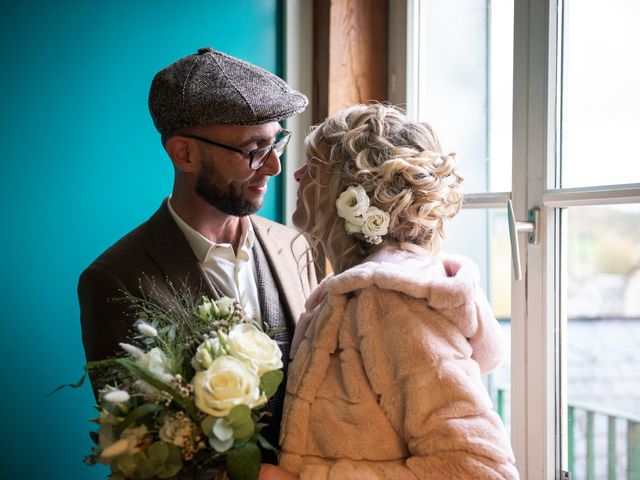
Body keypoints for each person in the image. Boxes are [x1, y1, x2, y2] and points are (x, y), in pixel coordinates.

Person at [78, 47, 317, 463]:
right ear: (184, 153)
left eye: (277, 141)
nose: (274, 167)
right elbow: (141, 443)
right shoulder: (114, 278)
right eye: (253, 150)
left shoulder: (295, 246)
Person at [262, 104, 519, 479]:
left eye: (313, 167)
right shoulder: (363, 292)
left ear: (351, 191)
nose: (296, 175)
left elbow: (480, 469)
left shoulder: (388, 301)